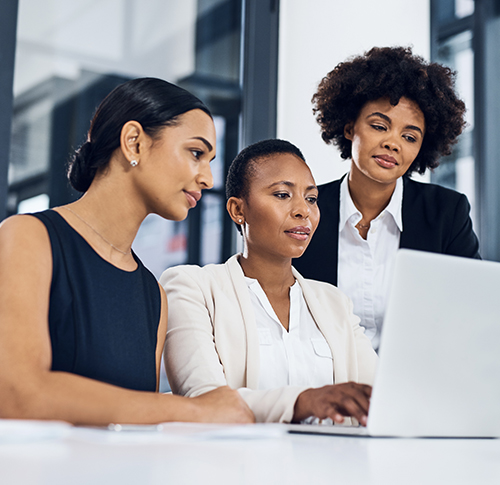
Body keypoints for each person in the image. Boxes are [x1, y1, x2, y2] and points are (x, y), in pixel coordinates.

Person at [0, 77, 253, 425]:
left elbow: (135, 423)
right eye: (196, 153)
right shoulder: (28, 237)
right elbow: (16, 395)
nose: (208, 179)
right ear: (134, 143)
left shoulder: (153, 295)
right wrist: (196, 410)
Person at [161, 139, 377, 424]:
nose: (303, 211)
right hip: (237, 465)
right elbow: (205, 398)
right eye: (282, 195)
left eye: (311, 198)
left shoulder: (334, 303)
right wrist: (304, 401)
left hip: (333, 465)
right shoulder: (192, 287)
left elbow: (379, 397)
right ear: (239, 210)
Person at [293, 46, 480, 351]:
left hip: (414, 382)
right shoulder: (305, 209)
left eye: (410, 137)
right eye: (379, 126)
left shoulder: (447, 213)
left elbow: (473, 311)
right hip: (323, 386)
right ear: (350, 127)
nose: (393, 143)